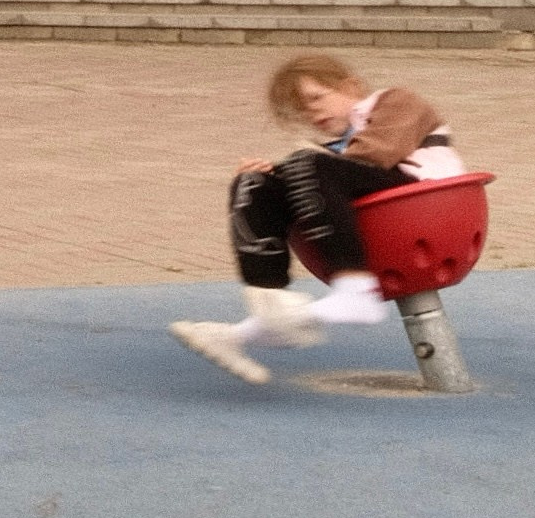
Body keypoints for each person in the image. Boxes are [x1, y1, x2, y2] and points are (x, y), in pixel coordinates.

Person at [170, 52, 463, 386]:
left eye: (316, 98)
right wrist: (274, 180)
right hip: (377, 215)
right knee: (254, 185)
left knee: (304, 165)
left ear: (350, 86)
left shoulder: (395, 101)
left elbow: (377, 153)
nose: (312, 112)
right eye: (303, 109)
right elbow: (326, 172)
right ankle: (270, 308)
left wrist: (297, 170)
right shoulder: (332, 150)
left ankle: (354, 290)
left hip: (428, 208)